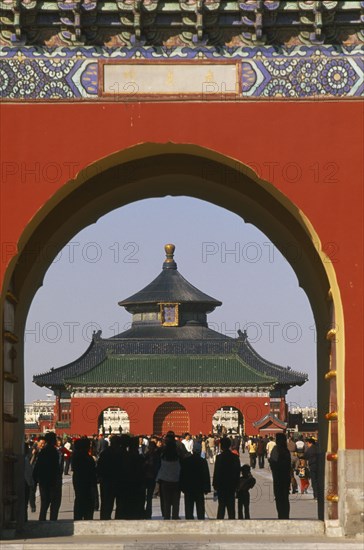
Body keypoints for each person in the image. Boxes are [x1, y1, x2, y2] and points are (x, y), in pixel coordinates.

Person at [33, 431, 63, 521]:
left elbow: (37, 467)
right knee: (55, 504)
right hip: (53, 482)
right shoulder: (54, 452)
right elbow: (56, 468)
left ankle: (41, 522)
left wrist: (35, 479)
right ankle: (53, 523)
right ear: (53, 440)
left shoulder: (43, 452)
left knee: (44, 504)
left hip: (43, 482)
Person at [180, 440, 211, 519]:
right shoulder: (203, 462)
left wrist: (182, 487)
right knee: (200, 509)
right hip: (199, 488)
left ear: (193, 450)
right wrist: (207, 488)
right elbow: (206, 475)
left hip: (189, 488)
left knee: (189, 509)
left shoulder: (186, 461)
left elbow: (183, 474)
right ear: (200, 450)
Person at [213, 436, 240, 519]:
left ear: (222, 446)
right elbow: (237, 472)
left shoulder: (219, 457)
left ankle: (219, 524)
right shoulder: (235, 457)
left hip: (221, 485)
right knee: (231, 507)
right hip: (231, 485)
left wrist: (215, 485)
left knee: (221, 507)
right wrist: (237, 485)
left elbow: (216, 472)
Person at [157, 434, 181, 519]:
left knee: (166, 501)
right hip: (176, 480)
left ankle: (166, 516)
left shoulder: (163, 454)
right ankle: (175, 516)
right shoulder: (177, 454)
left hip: (165, 481)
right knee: (175, 502)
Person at [72, 437, 97, 520]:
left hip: (78, 481)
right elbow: (92, 472)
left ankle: (78, 518)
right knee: (88, 504)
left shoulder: (75, 457)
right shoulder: (88, 458)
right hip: (88, 484)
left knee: (79, 500)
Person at [269, 432, 291, 519]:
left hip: (278, 477)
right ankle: (286, 515)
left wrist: (271, 462)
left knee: (278, 497)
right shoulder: (286, 451)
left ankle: (281, 515)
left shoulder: (276, 450)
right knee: (285, 497)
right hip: (286, 477)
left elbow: (274, 463)